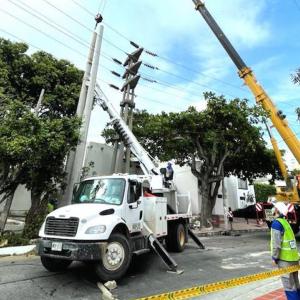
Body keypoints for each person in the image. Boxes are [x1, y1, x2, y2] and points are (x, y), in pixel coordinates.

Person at [271, 202, 300, 299]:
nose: (272, 209)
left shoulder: (276, 223)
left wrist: (274, 257)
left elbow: (276, 244)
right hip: (294, 259)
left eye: (274, 208)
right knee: (296, 284)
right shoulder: (286, 222)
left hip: (284, 260)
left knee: (289, 286)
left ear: (276, 210)